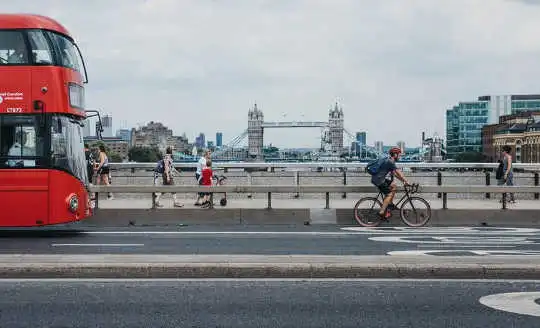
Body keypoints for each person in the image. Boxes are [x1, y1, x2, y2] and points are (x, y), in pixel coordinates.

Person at [370, 147, 410, 219]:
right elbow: (398, 172)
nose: (399, 156)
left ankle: (390, 204)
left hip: (379, 179)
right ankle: (382, 212)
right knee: (389, 194)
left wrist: (402, 180)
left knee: (394, 186)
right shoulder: (390, 162)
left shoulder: (389, 160)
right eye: (399, 155)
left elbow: (394, 173)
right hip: (378, 180)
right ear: (395, 155)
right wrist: (406, 181)